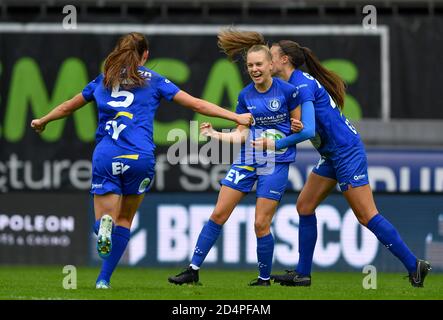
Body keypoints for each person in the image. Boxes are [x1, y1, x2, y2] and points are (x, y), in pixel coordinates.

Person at [30, 32, 252, 289]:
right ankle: (103, 279)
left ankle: (103, 228)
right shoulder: (155, 80)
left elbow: (69, 106)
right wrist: (235, 118)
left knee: (104, 223)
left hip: (107, 154)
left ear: (118, 51)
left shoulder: (103, 80)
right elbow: (196, 105)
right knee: (125, 219)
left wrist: (43, 120)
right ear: (145, 55)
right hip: (140, 157)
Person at [253, 39, 432, 287]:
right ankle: (303, 274)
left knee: (367, 216)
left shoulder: (301, 85)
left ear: (284, 60)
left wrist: (276, 144)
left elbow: (307, 133)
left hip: (346, 151)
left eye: (271, 56)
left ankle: (415, 266)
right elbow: (304, 125)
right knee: (304, 206)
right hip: (332, 154)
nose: (268, 61)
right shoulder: (293, 84)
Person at [168, 29, 304, 286]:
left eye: (259, 64)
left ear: (270, 65)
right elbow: (242, 134)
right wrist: (216, 134)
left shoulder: (288, 91)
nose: (254, 69)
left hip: (275, 163)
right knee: (218, 214)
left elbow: (299, 127)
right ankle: (192, 270)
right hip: (248, 159)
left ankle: (264, 278)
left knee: (260, 224)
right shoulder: (245, 96)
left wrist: (297, 126)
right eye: (250, 65)